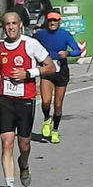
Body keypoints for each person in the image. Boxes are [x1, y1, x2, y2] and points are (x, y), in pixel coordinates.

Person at [0, 12, 55, 187]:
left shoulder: (30, 44)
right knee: (7, 143)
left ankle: (23, 163)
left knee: (23, 145)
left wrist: (29, 73)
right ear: (3, 27)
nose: (10, 27)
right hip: (5, 99)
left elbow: (50, 67)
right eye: (7, 24)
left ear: (20, 26)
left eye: (14, 24)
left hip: (25, 100)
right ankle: (9, 186)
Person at [34, 11, 81, 143]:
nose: (52, 23)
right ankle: (47, 119)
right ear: (47, 21)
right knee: (45, 101)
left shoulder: (65, 35)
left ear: (59, 21)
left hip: (62, 71)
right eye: (50, 20)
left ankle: (55, 131)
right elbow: (30, 47)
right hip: (47, 71)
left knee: (58, 105)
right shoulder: (40, 35)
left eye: (55, 20)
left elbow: (78, 50)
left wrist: (68, 53)